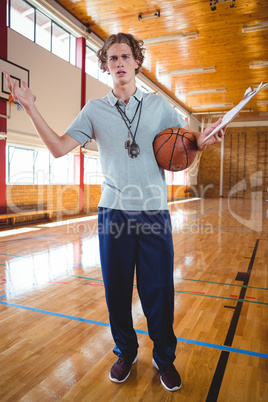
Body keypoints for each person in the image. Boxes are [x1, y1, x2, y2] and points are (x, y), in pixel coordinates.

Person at [4, 32, 226, 392]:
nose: (119, 63)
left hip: (154, 212)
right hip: (114, 214)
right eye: (112, 58)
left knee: (159, 291)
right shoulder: (94, 110)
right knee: (117, 291)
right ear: (106, 65)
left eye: (125, 56)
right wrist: (29, 106)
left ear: (137, 61)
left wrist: (205, 140)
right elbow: (60, 148)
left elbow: (188, 142)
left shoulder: (159, 106)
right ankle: (125, 350)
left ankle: (163, 358)